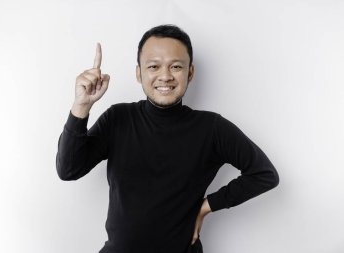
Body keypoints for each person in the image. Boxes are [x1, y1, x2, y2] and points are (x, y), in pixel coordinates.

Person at [56, 24, 279, 253]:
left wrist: (207, 206)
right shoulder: (119, 118)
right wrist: (81, 106)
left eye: (176, 66)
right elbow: (69, 169)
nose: (165, 76)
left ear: (190, 73)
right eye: (154, 66)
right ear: (138, 73)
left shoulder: (211, 128)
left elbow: (264, 174)